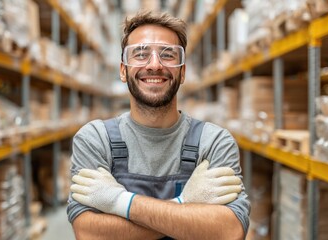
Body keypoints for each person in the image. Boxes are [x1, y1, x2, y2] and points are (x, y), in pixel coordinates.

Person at [67, 11, 250, 239]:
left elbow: (229, 232)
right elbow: (88, 232)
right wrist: (184, 204)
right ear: (123, 70)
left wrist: (119, 201)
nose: (154, 65)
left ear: (182, 72)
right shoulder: (95, 139)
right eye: (140, 54)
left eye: (168, 54)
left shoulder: (214, 142)